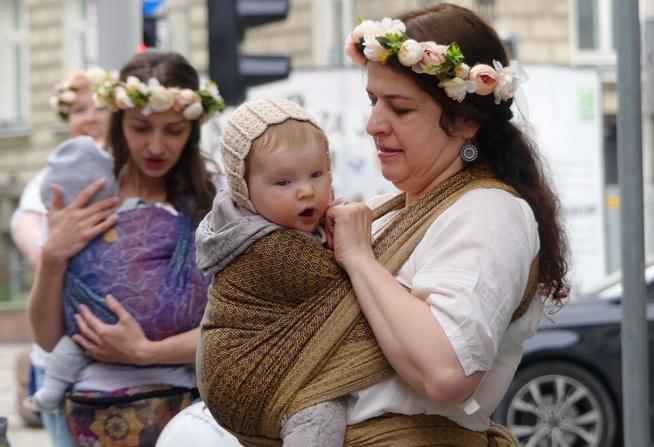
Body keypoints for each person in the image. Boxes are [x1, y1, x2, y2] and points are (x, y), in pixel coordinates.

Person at [199, 3, 570, 446]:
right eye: (374, 101)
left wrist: (358, 258)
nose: (374, 124)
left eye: (400, 109)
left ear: (466, 120)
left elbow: (448, 372)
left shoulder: (490, 212)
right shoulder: (387, 209)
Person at [27, 49, 226, 447]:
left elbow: (233, 329)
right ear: (119, 123)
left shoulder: (216, 201)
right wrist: (52, 257)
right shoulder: (85, 191)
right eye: (140, 128)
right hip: (87, 413)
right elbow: (50, 340)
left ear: (193, 129)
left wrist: (145, 352)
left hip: (190, 415)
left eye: (173, 131)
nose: (156, 146)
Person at [195, 97, 348, 447]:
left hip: (228, 380)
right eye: (283, 182)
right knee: (322, 412)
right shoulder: (272, 247)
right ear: (244, 190)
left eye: (317, 174)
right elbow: (348, 292)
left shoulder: (269, 225)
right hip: (246, 375)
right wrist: (356, 246)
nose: (306, 190)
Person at [10, 66, 117, 447]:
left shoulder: (140, 174)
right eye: (78, 110)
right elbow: (37, 247)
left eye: (98, 107)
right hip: (61, 355)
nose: (88, 117)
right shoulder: (48, 181)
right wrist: (57, 248)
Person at [22, 135, 116, 413]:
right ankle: (50, 392)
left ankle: (50, 392)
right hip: (77, 332)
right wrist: (52, 252)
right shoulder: (59, 227)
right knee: (69, 349)